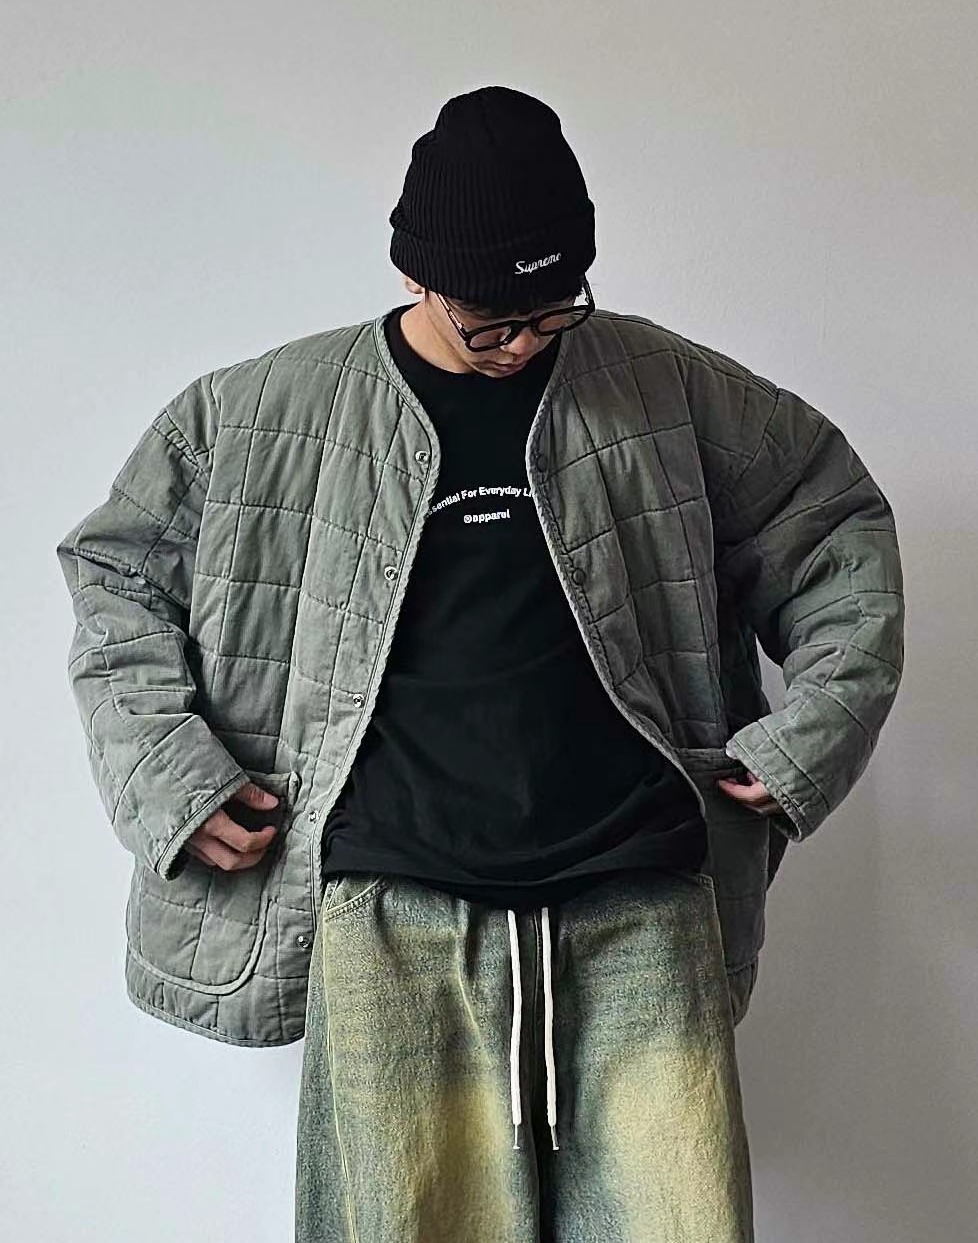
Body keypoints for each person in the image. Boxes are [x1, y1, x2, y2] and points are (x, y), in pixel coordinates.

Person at [55, 85, 905, 1242]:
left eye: (551, 313)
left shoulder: (668, 388)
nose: (520, 344)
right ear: (415, 274)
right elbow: (116, 574)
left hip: (639, 902)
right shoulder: (253, 413)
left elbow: (837, 528)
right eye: (489, 320)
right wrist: (171, 775)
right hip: (389, 915)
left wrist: (809, 738)